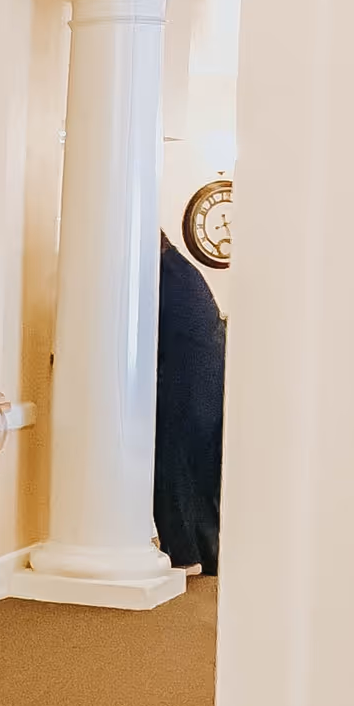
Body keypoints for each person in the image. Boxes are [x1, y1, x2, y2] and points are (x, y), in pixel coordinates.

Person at [155, 232, 226, 575]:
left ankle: (185, 555)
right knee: (200, 472)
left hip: (188, 384)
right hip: (208, 384)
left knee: (173, 468)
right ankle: (207, 555)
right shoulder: (180, 271)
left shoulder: (165, 273)